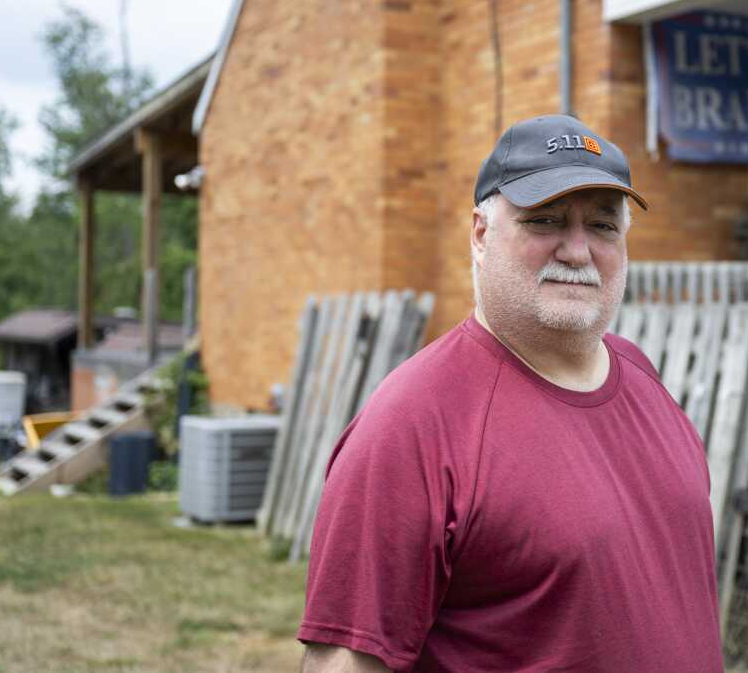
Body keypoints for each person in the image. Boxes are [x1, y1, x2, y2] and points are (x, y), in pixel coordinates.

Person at [298, 114, 724, 673]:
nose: (577, 251)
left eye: (602, 227)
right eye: (545, 220)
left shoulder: (643, 378)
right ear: (480, 234)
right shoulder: (413, 423)